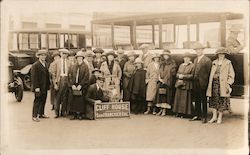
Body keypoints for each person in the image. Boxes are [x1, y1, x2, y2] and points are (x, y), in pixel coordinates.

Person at [206, 47, 235, 124]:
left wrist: (228, 84)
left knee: (221, 100)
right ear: (218, 55)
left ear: (224, 55)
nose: (221, 55)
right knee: (214, 100)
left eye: (222, 54)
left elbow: (231, 74)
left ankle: (220, 117)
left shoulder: (228, 63)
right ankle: (214, 116)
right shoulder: (214, 62)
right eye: (219, 54)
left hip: (223, 85)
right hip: (214, 84)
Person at [191, 43, 212, 123]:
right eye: (197, 50)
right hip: (195, 82)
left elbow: (209, 73)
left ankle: (204, 117)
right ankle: (197, 115)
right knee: (196, 99)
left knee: (203, 100)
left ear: (202, 50)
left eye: (199, 50)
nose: (198, 51)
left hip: (203, 83)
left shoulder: (207, 60)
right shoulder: (195, 60)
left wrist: (207, 83)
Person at [68, 51, 90, 120]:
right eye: (78, 57)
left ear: (82, 58)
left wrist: (81, 85)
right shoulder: (73, 66)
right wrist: (72, 85)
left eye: (80, 57)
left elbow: (86, 76)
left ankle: (80, 114)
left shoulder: (85, 66)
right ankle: (74, 114)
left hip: (81, 85)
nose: (79, 59)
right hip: (74, 85)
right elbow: (70, 76)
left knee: (80, 100)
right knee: (73, 99)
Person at [155, 50, 176, 116]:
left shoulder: (172, 63)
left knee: (166, 97)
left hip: (168, 82)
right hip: (161, 81)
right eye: (164, 55)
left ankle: (164, 110)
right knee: (160, 95)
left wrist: (165, 80)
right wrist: (159, 78)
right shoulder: (162, 63)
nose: (165, 56)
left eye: (166, 55)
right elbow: (159, 71)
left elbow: (170, 73)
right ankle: (161, 110)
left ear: (169, 56)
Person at [173, 52, 194, 118]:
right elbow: (177, 73)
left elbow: (192, 75)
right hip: (179, 83)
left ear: (189, 59)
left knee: (185, 99)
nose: (186, 59)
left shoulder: (192, 66)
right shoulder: (181, 65)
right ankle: (178, 112)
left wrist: (184, 76)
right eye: (185, 58)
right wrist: (179, 75)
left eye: (187, 58)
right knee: (178, 98)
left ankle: (185, 113)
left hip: (187, 84)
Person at [31, 50, 50, 122]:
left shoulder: (45, 64)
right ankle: (34, 116)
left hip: (44, 86)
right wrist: (36, 87)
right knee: (37, 100)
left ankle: (41, 113)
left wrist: (48, 85)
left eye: (44, 55)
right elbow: (34, 78)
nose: (43, 57)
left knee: (43, 100)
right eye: (41, 55)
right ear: (38, 56)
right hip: (38, 87)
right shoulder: (35, 65)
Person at [51, 48, 71, 118]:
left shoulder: (69, 62)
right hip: (59, 79)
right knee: (58, 97)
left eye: (66, 54)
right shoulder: (57, 62)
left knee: (65, 97)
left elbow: (70, 73)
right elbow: (53, 74)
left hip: (66, 79)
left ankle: (63, 112)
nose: (64, 55)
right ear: (60, 54)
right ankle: (56, 112)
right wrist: (55, 84)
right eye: (63, 54)